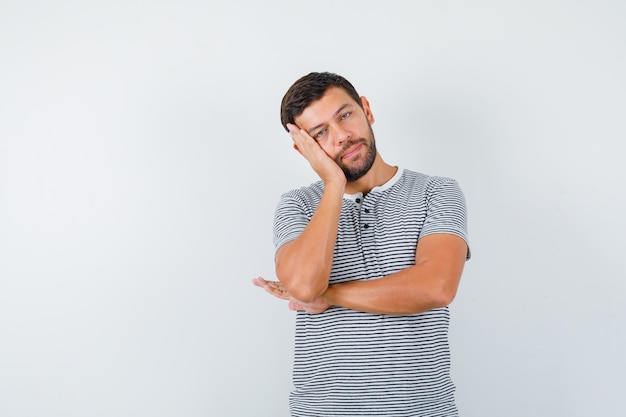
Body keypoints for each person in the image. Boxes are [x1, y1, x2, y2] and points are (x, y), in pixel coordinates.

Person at [253, 72, 470, 417]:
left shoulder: (436, 192)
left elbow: (436, 287)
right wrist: (333, 183)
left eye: (345, 115)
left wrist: (329, 296)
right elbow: (306, 285)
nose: (341, 136)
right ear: (303, 149)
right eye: (320, 133)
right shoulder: (297, 205)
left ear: (366, 109)